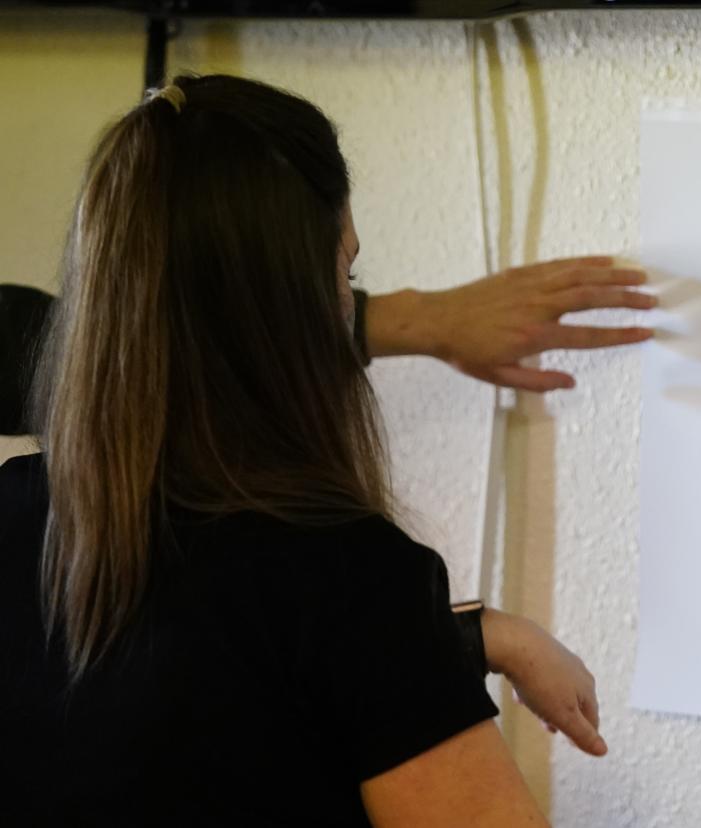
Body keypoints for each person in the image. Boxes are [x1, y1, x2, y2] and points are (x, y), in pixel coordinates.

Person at [0, 74, 655, 827]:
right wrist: (415, 634)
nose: (346, 302)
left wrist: (461, 636)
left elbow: (211, 659)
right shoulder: (350, 581)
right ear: (291, 308)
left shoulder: (17, 516)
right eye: (345, 273)